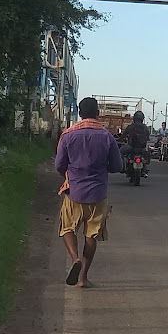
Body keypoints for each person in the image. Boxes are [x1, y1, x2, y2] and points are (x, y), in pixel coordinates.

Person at [55, 96, 123, 288]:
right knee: (92, 235)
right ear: (97, 113)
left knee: (67, 228)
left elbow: (59, 165)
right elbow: (117, 166)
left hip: (74, 192)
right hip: (98, 195)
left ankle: (75, 258)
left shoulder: (68, 135)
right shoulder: (107, 137)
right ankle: (83, 278)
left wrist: (71, 173)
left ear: (80, 113)